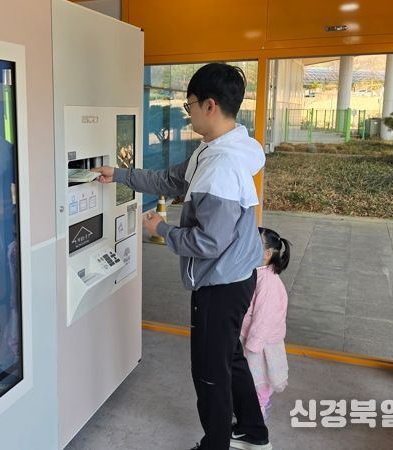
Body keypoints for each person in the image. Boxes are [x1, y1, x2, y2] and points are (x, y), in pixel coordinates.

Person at [93, 63, 271, 450]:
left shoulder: (221, 166)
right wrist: (119, 175)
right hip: (235, 276)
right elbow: (170, 180)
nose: (186, 112)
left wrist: (162, 230)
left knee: (209, 371)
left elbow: (209, 243)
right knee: (229, 358)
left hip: (221, 283)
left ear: (210, 105)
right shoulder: (222, 148)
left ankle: (215, 445)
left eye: (189, 104)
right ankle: (253, 433)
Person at [240, 227, 291, 420]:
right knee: (249, 378)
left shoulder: (268, 281)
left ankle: (256, 416)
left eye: (252, 244)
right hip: (250, 337)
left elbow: (263, 318)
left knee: (257, 380)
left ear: (267, 254)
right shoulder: (256, 272)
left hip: (259, 343)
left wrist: (252, 345)